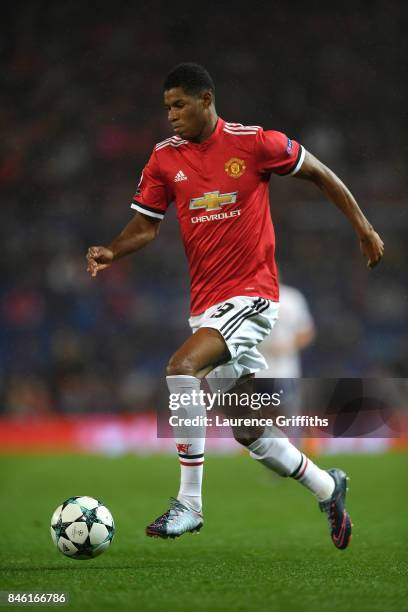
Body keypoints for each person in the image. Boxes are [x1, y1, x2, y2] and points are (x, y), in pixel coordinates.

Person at [86, 63, 384, 548]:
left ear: (207, 100)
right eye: (167, 108)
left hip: (252, 295)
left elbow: (320, 174)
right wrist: (110, 251)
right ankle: (329, 488)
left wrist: (364, 228)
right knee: (252, 435)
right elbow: (145, 225)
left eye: (180, 104)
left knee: (181, 367)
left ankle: (189, 504)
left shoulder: (255, 143)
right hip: (205, 305)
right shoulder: (164, 159)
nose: (172, 116)